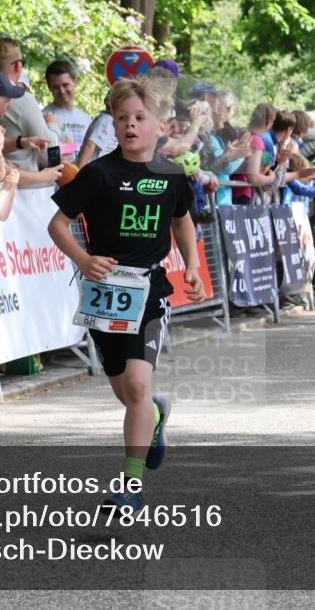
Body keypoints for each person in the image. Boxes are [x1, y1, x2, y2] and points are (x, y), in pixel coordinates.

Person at [47, 76, 205, 514]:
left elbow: (182, 220)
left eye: (139, 117)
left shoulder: (171, 174)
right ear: (113, 125)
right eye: (122, 118)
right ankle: (154, 414)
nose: (130, 125)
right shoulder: (99, 173)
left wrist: (191, 264)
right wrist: (83, 259)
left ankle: (130, 488)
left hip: (150, 290)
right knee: (126, 390)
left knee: (136, 384)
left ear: (160, 126)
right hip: (103, 292)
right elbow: (57, 225)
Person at [0, 38, 62, 186]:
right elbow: (47, 143)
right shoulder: (22, 99)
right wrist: (53, 126)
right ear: (18, 66)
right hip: (22, 186)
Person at [43, 59, 92, 158]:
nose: (62, 91)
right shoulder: (44, 117)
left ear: (75, 82)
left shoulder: (86, 119)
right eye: (56, 87)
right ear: (49, 87)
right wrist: (70, 147)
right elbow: (43, 154)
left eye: (65, 85)